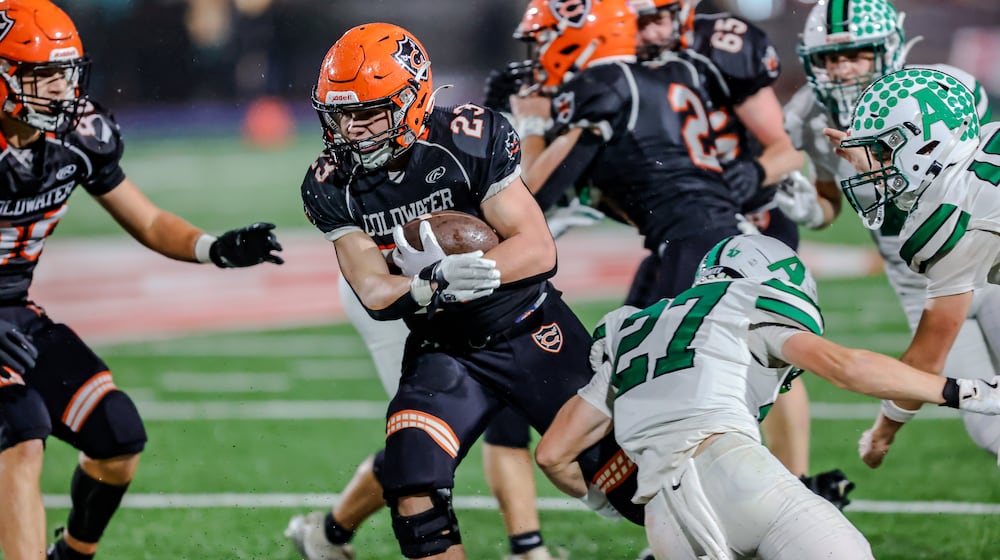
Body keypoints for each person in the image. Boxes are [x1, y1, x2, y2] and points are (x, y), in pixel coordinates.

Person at [294, 22, 642, 560]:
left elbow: (538, 250)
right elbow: (371, 289)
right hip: (444, 346)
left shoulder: (466, 138)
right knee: (413, 476)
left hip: (528, 327)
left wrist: (474, 272)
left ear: (412, 99)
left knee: (623, 474)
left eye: (368, 112)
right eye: (342, 115)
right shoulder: (329, 183)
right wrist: (435, 285)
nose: (352, 130)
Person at [0, 2, 284, 559]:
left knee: (117, 436)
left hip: (14, 312)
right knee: (21, 433)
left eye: (66, 74)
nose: (60, 90)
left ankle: (72, 553)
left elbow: (148, 220)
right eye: (42, 76)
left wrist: (215, 249)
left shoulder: (78, 135)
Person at [534, 233, 1000, 560]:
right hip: (735, 474)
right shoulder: (743, 302)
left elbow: (553, 454)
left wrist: (609, 503)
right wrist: (966, 390)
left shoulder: (627, 329)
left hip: (664, 522)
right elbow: (846, 367)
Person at [783, 0, 1000, 463]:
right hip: (927, 272)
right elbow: (833, 204)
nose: (841, 70)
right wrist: (810, 208)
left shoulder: (942, 90)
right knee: (990, 427)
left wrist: (885, 428)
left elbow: (950, 193)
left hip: (963, 251)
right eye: (829, 58)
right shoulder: (809, 114)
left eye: (856, 55)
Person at [284, 273, 567, 560]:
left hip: (478, 293)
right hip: (398, 290)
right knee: (419, 440)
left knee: (505, 406)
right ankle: (329, 533)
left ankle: (527, 547)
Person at [827, 67, 1000, 467]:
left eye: (884, 151)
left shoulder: (950, 223)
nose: (875, 168)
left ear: (925, 145)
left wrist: (882, 433)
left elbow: (925, 361)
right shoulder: (989, 138)